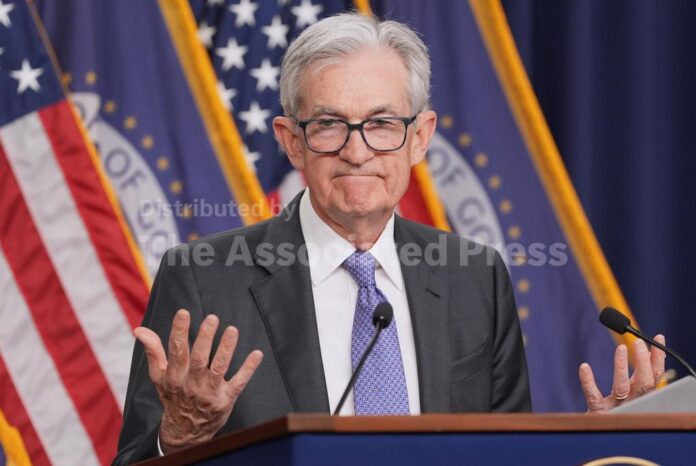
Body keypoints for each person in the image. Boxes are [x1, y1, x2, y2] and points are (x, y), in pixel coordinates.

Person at [113, 12, 665, 465]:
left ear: (420, 137)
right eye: (329, 124)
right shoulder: (205, 278)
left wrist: (600, 443)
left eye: (381, 124)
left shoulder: (475, 277)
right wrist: (179, 439)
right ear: (291, 140)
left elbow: (505, 458)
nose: (357, 152)